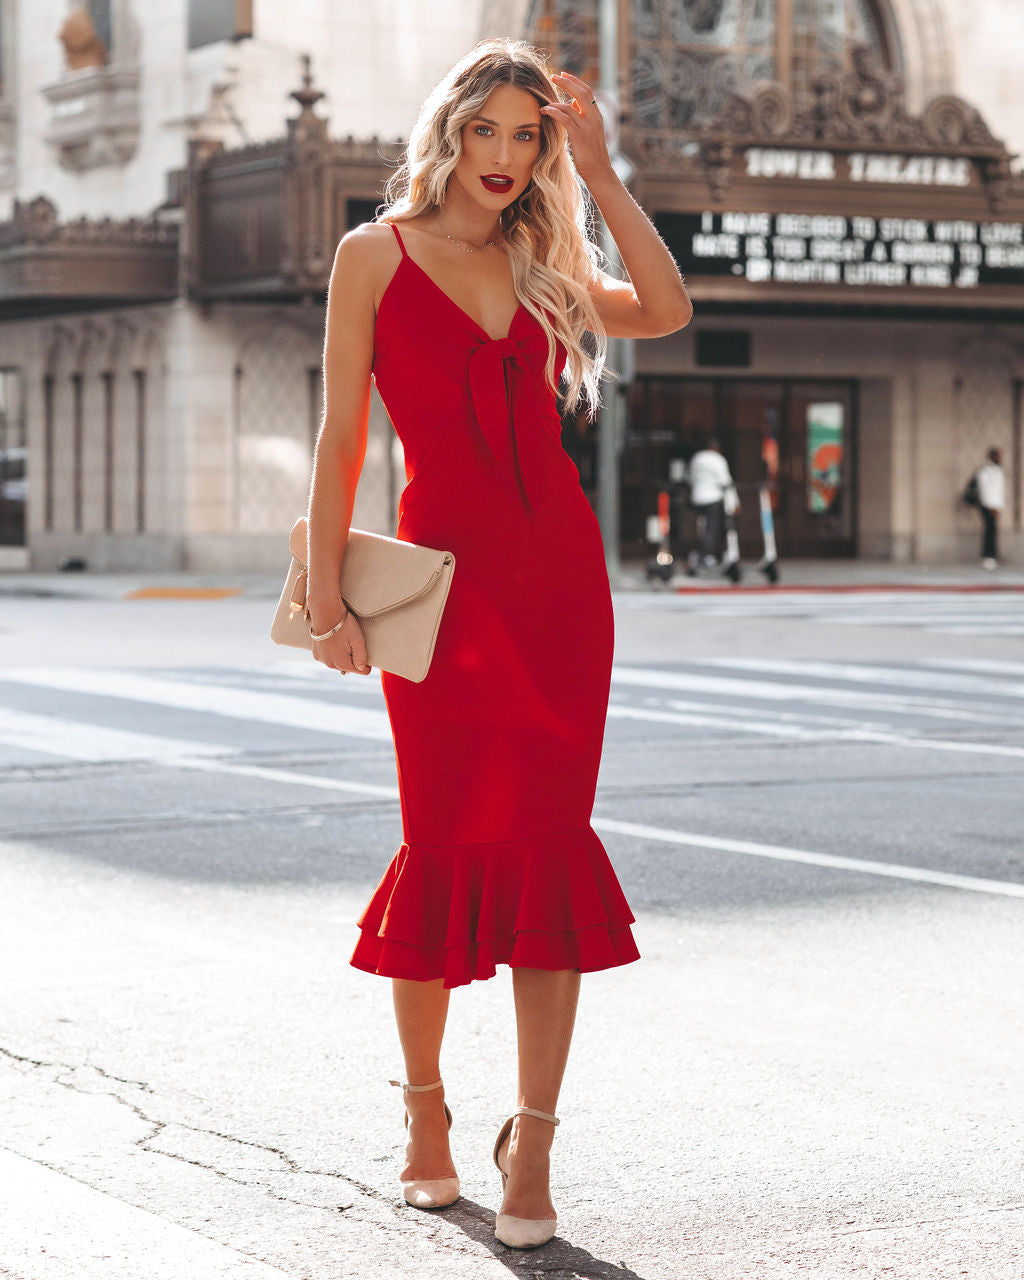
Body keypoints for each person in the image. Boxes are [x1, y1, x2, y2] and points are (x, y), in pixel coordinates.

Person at [303, 40, 692, 1250]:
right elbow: (339, 439)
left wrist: (603, 173)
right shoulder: (372, 255)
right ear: (451, 130)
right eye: (491, 131)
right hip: (445, 595)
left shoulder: (540, 266)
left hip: (559, 590)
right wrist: (327, 600)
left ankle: (533, 1137)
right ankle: (424, 1109)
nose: (506, 156)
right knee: (440, 837)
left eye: (530, 137)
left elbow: (669, 309)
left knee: (546, 852)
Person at [686, 436, 738, 572]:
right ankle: (706, 555)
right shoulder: (718, 460)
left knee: (701, 527)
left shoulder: (697, 458)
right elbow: (725, 481)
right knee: (711, 528)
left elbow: (690, 478)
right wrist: (733, 502)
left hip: (697, 498)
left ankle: (698, 553)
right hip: (713, 498)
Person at [973, 447, 1007, 569]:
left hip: (994, 505)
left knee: (992, 530)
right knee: (990, 531)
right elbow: (985, 489)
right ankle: (988, 556)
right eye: (997, 455)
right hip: (987, 505)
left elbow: (998, 491)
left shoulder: (997, 470)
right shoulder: (986, 470)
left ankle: (992, 555)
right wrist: (990, 506)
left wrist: (998, 506)